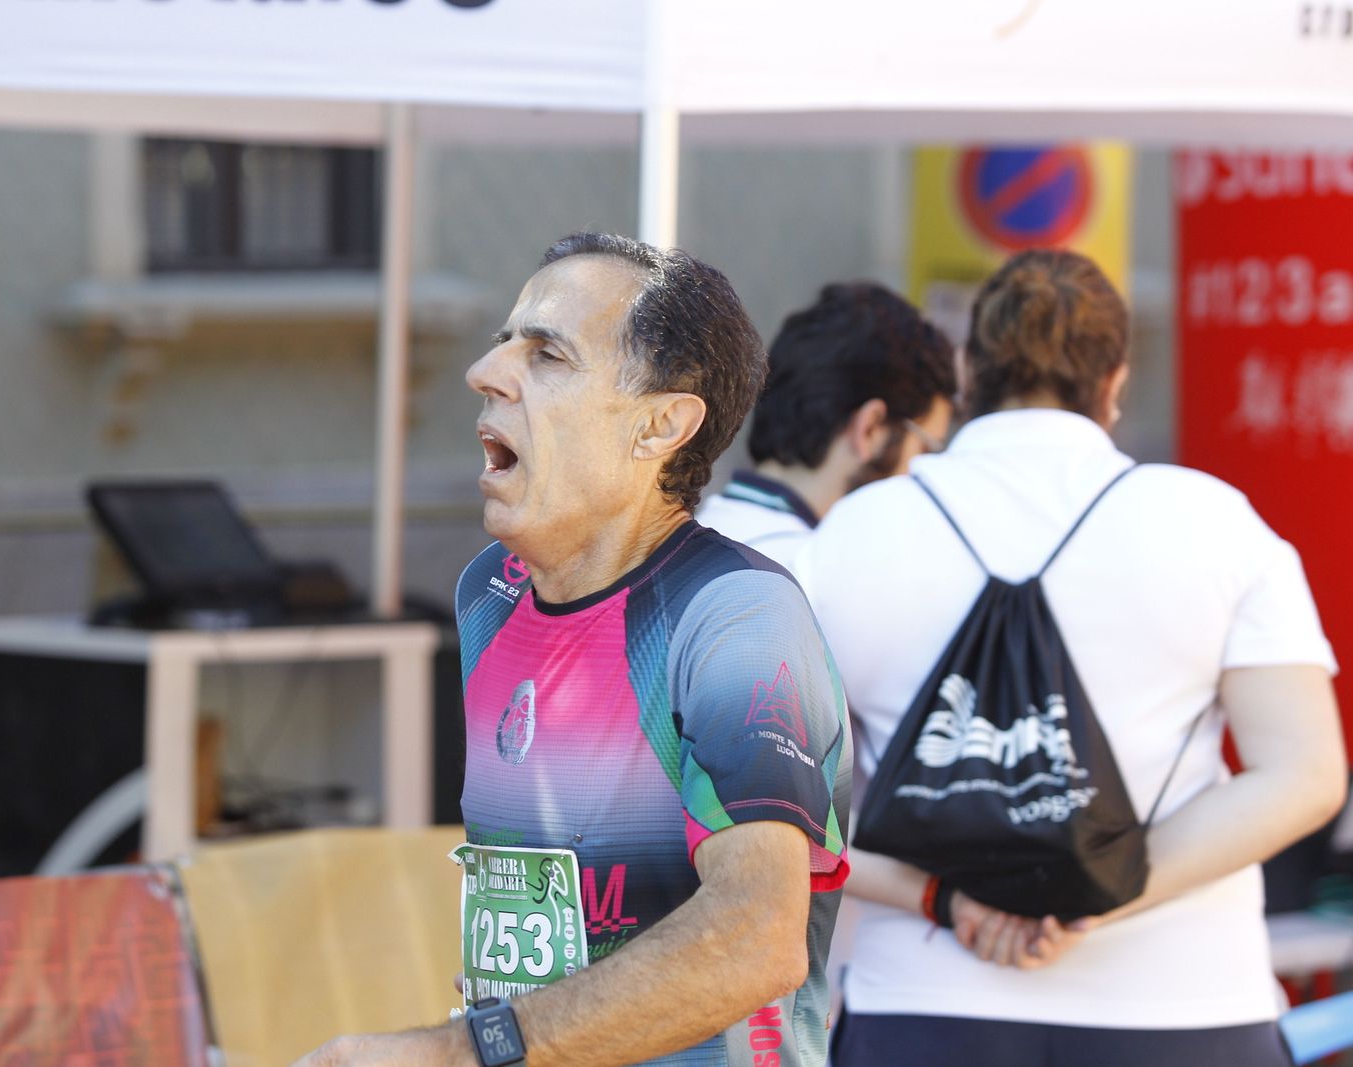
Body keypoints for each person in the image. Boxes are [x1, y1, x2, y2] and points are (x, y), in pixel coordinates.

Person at [295, 232, 852, 1067]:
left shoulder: (735, 615)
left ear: (661, 425)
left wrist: (457, 1051)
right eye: (503, 344)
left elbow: (756, 938)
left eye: (548, 354)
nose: (488, 375)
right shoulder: (490, 593)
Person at [793, 248, 1345, 1066]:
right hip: (1186, 1004)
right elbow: (1305, 774)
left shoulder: (854, 534)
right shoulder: (1214, 523)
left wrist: (951, 902)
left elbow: (775, 805)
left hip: (925, 1005)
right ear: (1116, 382)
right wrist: (1095, 900)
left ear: (969, 370)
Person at [696, 282, 956, 569]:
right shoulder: (810, 582)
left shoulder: (695, 540)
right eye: (925, 449)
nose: (922, 475)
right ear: (870, 428)